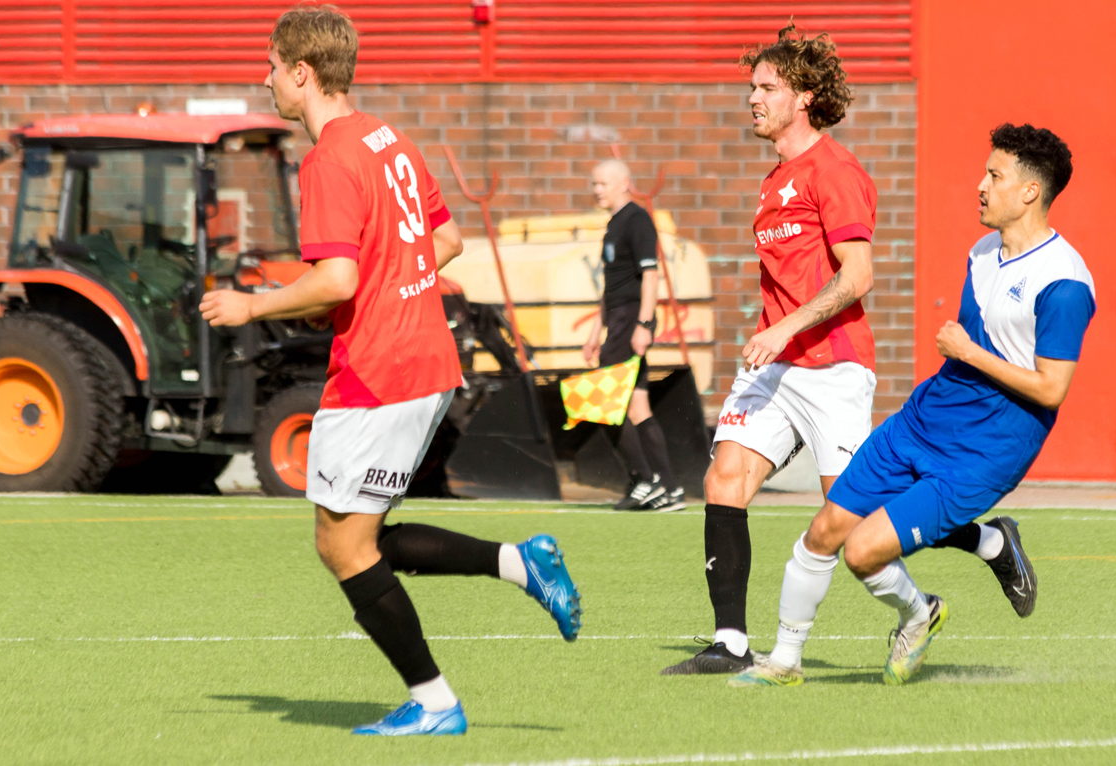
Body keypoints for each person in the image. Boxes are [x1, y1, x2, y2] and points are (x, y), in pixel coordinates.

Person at [198, 5, 580, 736]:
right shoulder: (389, 139)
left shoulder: (328, 159)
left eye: (271, 67)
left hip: (379, 370)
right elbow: (447, 240)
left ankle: (435, 702)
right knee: (359, 539)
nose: (265, 79)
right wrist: (385, 282)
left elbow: (337, 279)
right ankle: (520, 564)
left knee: (342, 546)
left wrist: (253, 306)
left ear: (302, 72)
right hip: (425, 359)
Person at [730, 124, 1090, 688]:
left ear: (1029, 192)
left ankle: (922, 613)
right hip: (927, 418)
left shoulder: (1064, 281)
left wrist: (969, 353)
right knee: (825, 530)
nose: (980, 185)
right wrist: (964, 361)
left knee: (863, 552)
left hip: (988, 447)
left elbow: (1051, 389)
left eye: (994, 175)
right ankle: (784, 662)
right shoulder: (982, 252)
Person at [661, 25, 879, 676]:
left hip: (834, 364)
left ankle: (980, 546)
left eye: (767, 88)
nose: (753, 98)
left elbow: (858, 275)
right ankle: (730, 642)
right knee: (723, 479)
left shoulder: (834, 170)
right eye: (751, 87)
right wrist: (776, 336)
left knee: (854, 523)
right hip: (775, 368)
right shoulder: (774, 180)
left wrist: (786, 328)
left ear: (805, 97)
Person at [581, 160, 687, 512]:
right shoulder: (613, 224)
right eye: (594, 184)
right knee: (636, 405)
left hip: (630, 321)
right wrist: (595, 332)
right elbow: (610, 286)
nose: (597, 190)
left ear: (624, 183)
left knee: (606, 403)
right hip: (617, 321)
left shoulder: (637, 220)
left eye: (603, 183)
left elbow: (651, 276)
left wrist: (644, 324)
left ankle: (646, 479)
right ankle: (668, 487)